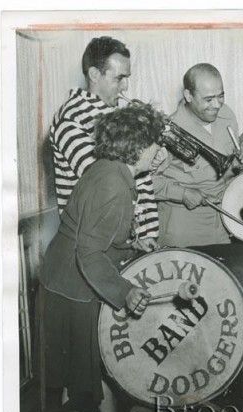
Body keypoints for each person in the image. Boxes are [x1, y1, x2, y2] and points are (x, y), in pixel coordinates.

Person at [38, 103, 162, 412]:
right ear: (137, 147)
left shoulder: (109, 170)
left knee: (78, 366)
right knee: (93, 365)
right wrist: (125, 293)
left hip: (65, 278)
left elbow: (96, 232)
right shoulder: (115, 184)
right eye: (155, 143)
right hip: (75, 284)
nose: (159, 151)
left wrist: (133, 243)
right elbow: (90, 253)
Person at [49, 36, 159, 252]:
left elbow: (135, 176)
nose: (125, 87)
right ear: (94, 75)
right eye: (119, 78)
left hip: (138, 239)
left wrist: (154, 160)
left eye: (127, 78)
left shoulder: (115, 113)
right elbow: (104, 180)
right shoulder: (72, 118)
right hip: (104, 245)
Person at [152, 63, 243, 247]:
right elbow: (146, 182)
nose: (217, 105)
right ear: (188, 96)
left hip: (224, 221)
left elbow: (227, 167)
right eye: (208, 99)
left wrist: (240, 158)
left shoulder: (226, 114)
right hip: (184, 226)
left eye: (221, 96)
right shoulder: (168, 130)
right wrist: (182, 193)